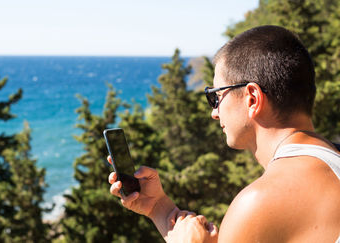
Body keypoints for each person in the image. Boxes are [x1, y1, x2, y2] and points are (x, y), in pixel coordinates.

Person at [108, 25, 340, 242]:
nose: (215, 113)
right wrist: (158, 206)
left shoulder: (259, 203)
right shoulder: (332, 161)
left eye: (216, 97)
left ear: (252, 98)